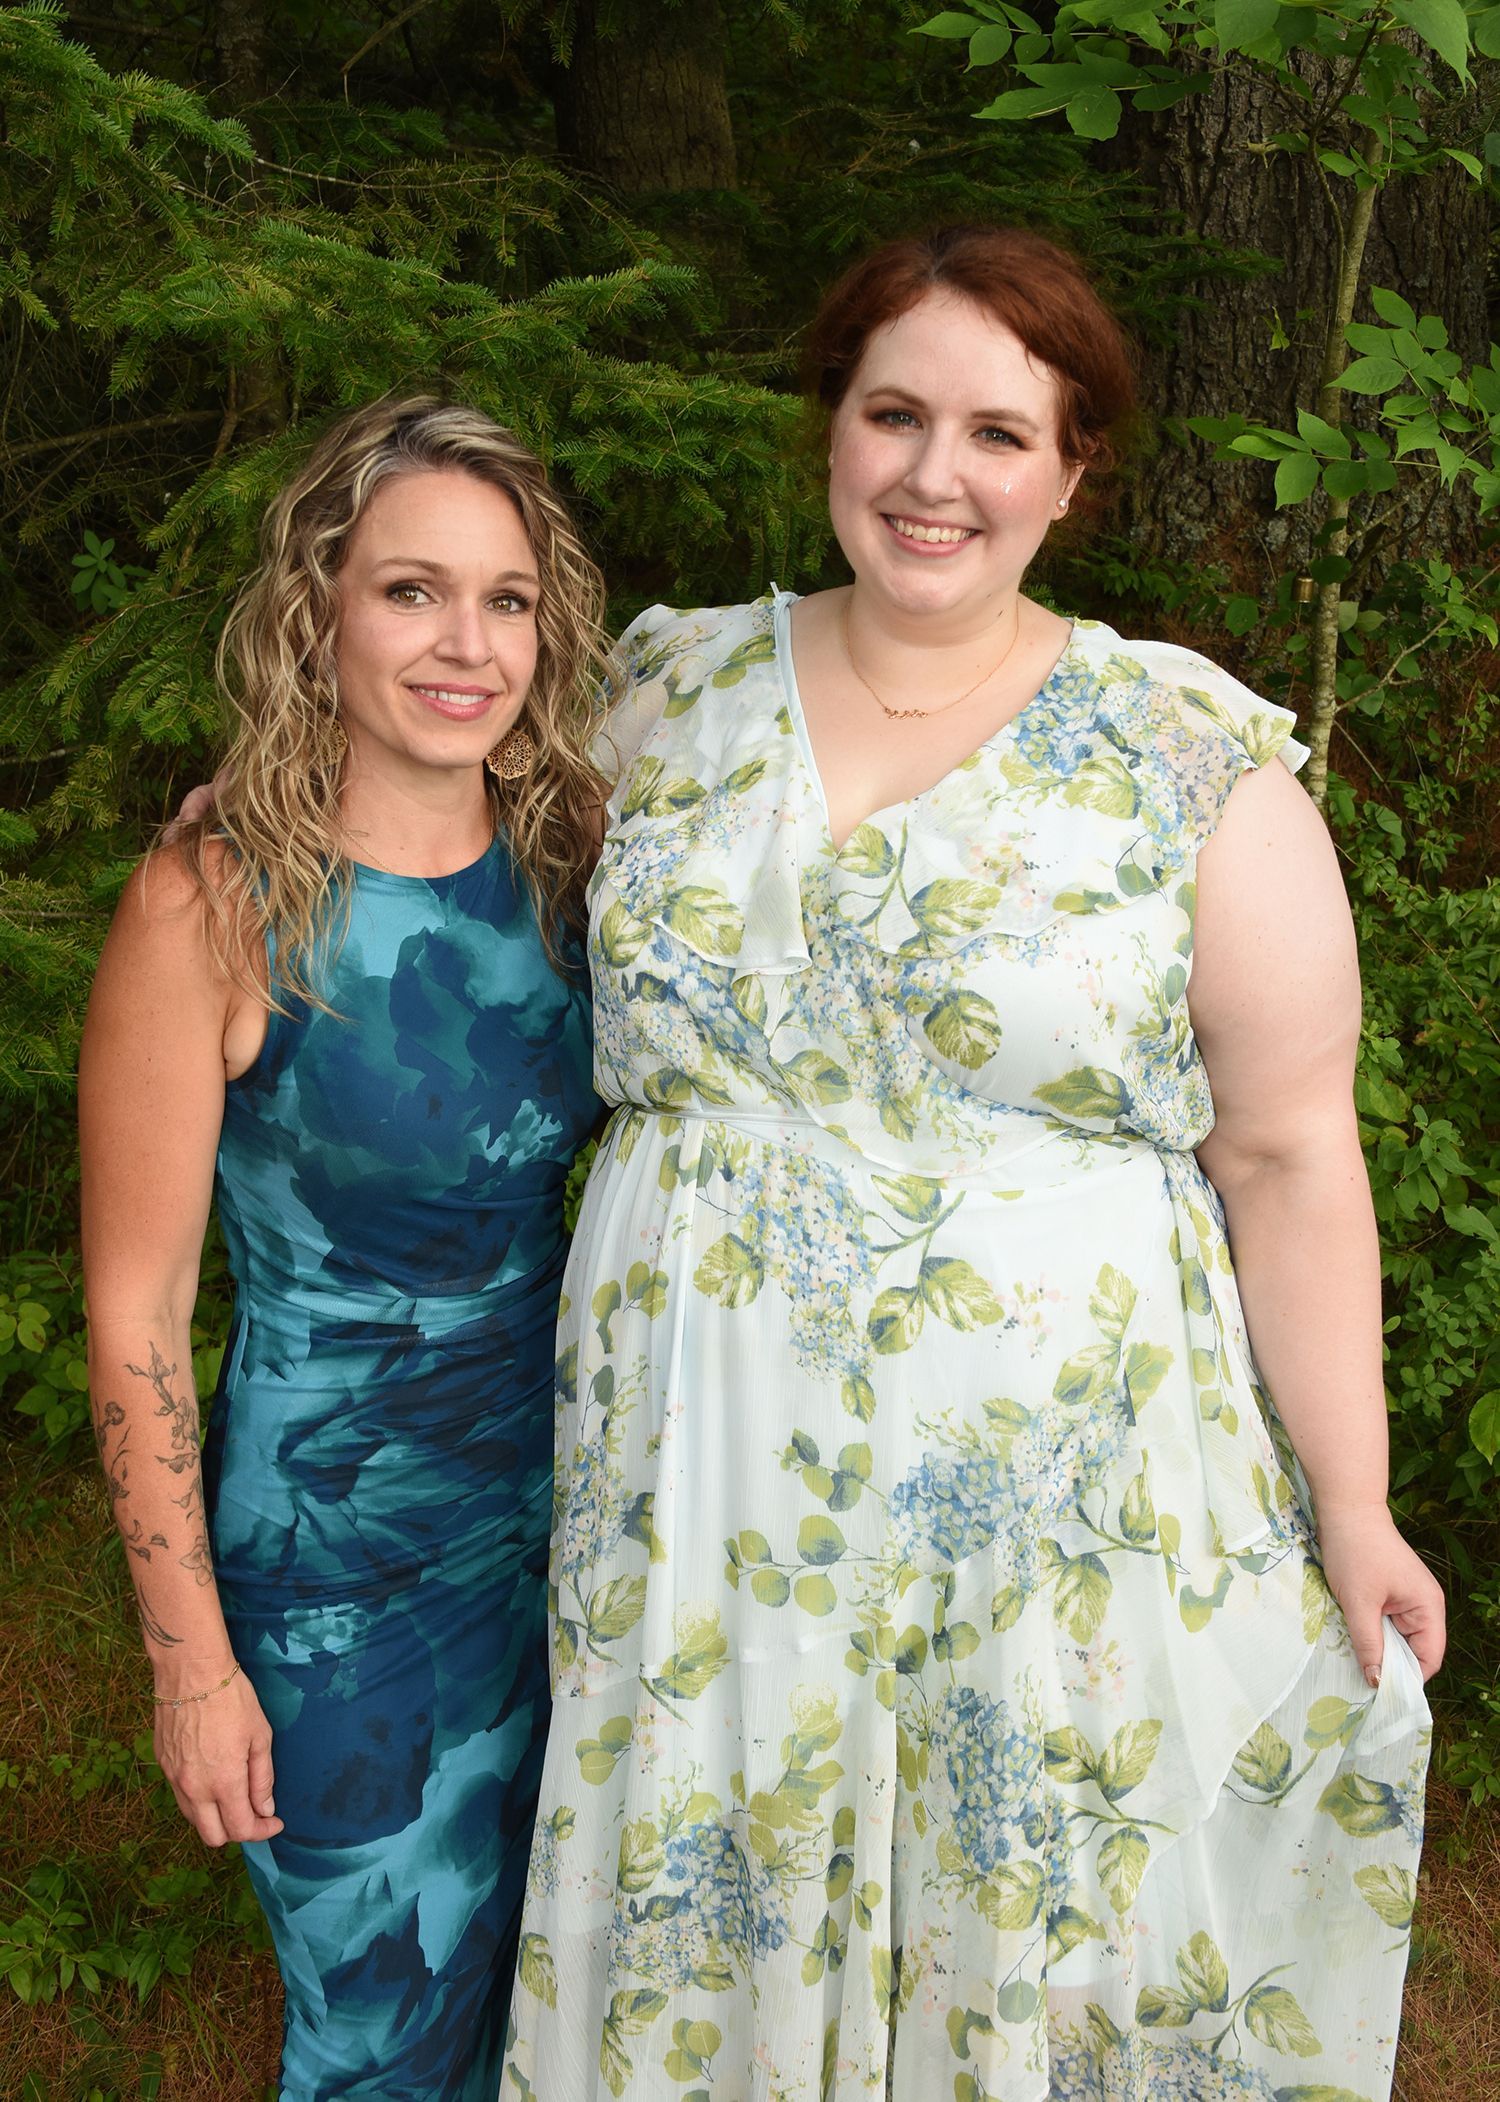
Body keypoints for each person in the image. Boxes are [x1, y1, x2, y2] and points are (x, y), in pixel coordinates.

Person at [499, 227, 1444, 2101]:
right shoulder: (657, 700)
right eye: (896, 413)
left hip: (1050, 1504)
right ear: (829, 432)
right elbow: (425, 841)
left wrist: (1355, 1497)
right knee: (719, 1886)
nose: (940, 474)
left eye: (1000, 433)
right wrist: (257, 797)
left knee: (1031, 1917)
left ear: (1073, 472)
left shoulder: (1182, 754)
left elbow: (1286, 1151)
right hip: (706, 1476)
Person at [79, 398, 605, 2101]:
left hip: (582, 1541)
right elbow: (137, 1305)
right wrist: (190, 1664)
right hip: (336, 1574)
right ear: (317, 613)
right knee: (380, 2026)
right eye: (410, 592)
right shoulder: (217, 900)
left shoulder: (581, 859)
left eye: (507, 599)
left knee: (552, 2004)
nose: (467, 644)